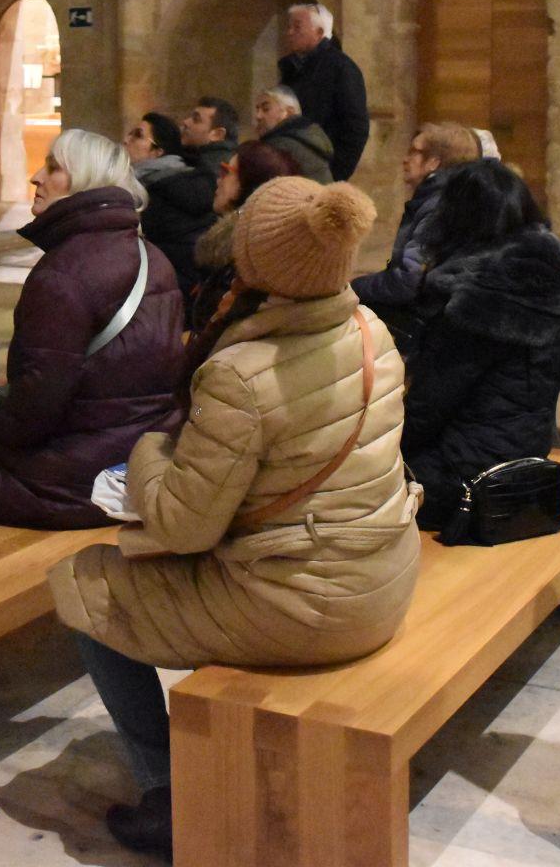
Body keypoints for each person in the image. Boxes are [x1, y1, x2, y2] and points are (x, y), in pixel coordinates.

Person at [48, 177, 420, 857]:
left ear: (255, 262)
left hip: (302, 605)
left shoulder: (242, 372)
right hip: (382, 575)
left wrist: (148, 451)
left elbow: (185, 527)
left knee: (86, 583)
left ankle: (170, 796)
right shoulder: (374, 332)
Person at [0, 130, 183, 537]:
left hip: (76, 484)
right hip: (142, 460)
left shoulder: (61, 274)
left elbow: (40, 397)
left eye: (53, 168)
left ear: (84, 182)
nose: (36, 176)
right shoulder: (153, 255)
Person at [402, 161, 560, 530]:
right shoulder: (554, 280)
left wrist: (384, 450)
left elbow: (428, 407)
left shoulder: (475, 300)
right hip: (526, 459)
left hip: (464, 481)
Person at [351, 121, 480, 352]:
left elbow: (406, 282)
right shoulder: (457, 197)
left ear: (433, 163)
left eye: (414, 151)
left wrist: (356, 286)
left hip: (428, 324)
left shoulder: (436, 205)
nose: (405, 159)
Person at [185, 139, 301, 333]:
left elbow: (211, 324)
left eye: (226, 171)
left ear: (251, 184)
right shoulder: (244, 246)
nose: (218, 180)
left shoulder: (244, 256)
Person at [278, 1, 370, 180]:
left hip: (320, 172)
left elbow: (355, 127)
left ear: (319, 32)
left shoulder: (341, 68)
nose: (289, 32)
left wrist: (334, 175)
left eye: (297, 27)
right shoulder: (292, 69)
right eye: (289, 27)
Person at [126, 112, 211, 293]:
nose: (127, 140)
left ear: (158, 151)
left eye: (138, 135)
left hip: (166, 287)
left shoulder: (154, 193)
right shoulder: (182, 181)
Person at [252, 84, 334, 183]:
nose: (258, 116)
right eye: (257, 109)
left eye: (266, 109)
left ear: (289, 112)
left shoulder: (278, 146)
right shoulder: (310, 137)